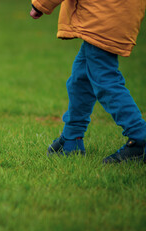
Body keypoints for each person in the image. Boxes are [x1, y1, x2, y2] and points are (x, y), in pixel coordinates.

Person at [29, 0, 146, 163]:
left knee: (105, 80)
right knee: (81, 78)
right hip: (117, 12)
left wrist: (41, 4)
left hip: (103, 14)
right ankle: (71, 138)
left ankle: (139, 138)